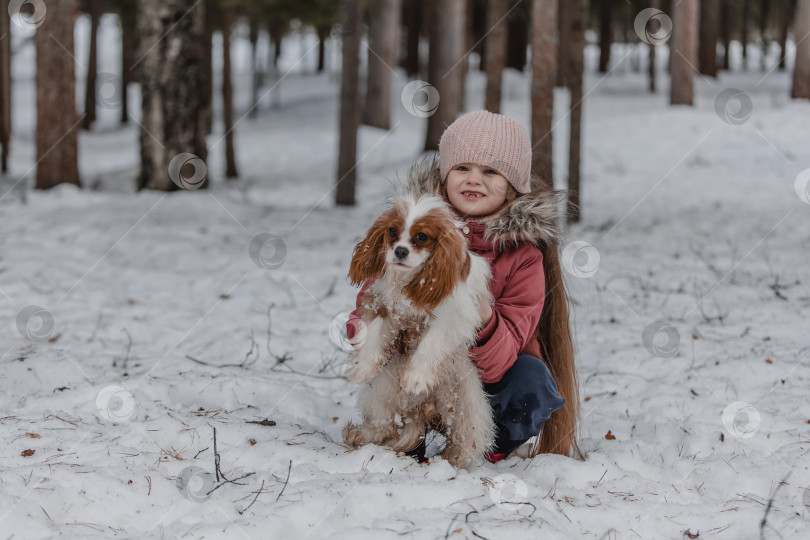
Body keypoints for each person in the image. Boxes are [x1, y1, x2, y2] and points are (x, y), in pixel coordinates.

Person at [346, 110, 581, 463]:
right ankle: (402, 432)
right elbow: (374, 298)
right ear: (444, 174)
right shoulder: (410, 226)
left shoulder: (524, 256)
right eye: (462, 168)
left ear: (513, 184)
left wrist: (481, 314)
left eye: (491, 171)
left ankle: (490, 440)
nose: (474, 180)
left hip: (486, 382)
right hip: (410, 370)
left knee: (531, 379)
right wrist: (361, 331)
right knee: (395, 355)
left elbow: (501, 362)